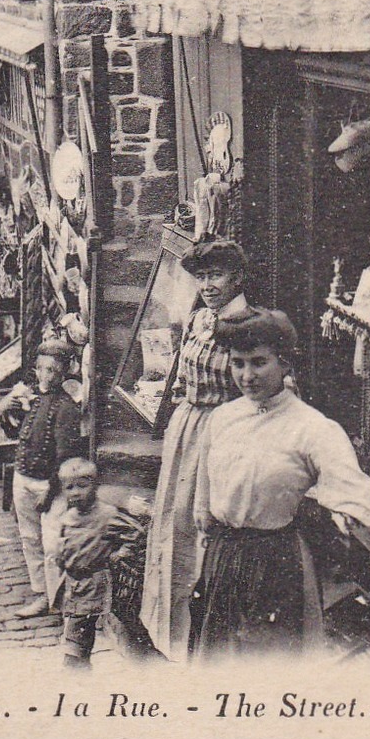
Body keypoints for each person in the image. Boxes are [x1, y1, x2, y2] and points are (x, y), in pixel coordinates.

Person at [190, 308, 370, 658]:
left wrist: (328, 514)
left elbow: (356, 503)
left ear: (285, 363)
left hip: (276, 564)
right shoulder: (221, 418)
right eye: (238, 363)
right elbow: (205, 486)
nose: (247, 376)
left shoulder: (312, 428)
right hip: (224, 557)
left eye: (259, 362)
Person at [140, 237, 251, 659]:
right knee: (176, 523)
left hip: (221, 432)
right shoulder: (200, 318)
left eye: (216, 275)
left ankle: (204, 641)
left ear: (237, 277)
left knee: (206, 527)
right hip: (187, 429)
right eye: (201, 276)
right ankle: (171, 632)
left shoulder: (247, 324)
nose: (207, 284)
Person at [2, 339, 83, 619]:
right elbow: (16, 435)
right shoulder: (31, 399)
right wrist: (6, 411)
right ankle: (42, 594)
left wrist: (49, 491)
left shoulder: (66, 408)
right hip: (23, 477)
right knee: (30, 538)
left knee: (52, 544)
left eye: (52, 370)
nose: (45, 376)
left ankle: (60, 600)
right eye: (41, 369)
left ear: (63, 373)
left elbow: (65, 456)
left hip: (49, 486)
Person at [50, 458, 141, 667]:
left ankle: (152, 667)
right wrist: (61, 557)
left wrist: (119, 555)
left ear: (95, 486)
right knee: (77, 639)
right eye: (69, 487)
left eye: (82, 486)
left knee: (129, 627)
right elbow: (64, 545)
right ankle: (77, 677)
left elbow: (135, 534)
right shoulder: (68, 518)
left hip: (102, 583)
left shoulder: (106, 515)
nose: (75, 493)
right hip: (77, 587)